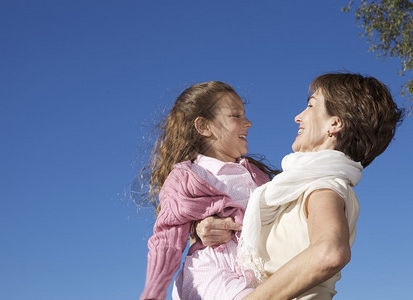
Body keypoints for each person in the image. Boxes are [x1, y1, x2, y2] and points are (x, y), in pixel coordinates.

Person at [196, 72, 404, 299]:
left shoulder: (324, 187)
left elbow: (331, 252)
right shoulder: (301, 187)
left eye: (311, 106)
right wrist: (204, 229)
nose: (298, 117)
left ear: (334, 123)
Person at [139, 81, 278, 300]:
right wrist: (153, 293)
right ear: (204, 127)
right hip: (212, 273)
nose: (248, 123)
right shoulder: (188, 177)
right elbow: (167, 239)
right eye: (236, 116)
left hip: (257, 275)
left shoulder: (255, 174)